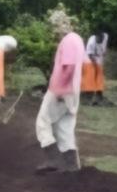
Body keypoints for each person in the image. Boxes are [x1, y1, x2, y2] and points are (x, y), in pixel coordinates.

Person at [36, 29, 86, 173]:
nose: (53, 37)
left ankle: (52, 160)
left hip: (61, 90)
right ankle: (72, 167)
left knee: (43, 121)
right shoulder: (78, 39)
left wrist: (60, 90)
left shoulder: (68, 41)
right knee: (65, 127)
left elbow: (69, 67)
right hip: (73, 92)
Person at [82, 31, 109, 105]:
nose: (100, 40)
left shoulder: (105, 36)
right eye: (98, 39)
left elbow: (104, 49)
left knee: (99, 77)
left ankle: (99, 95)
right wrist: (95, 64)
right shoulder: (91, 42)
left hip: (99, 58)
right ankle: (88, 96)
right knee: (90, 77)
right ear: (96, 37)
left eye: (101, 39)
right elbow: (90, 55)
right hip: (89, 59)